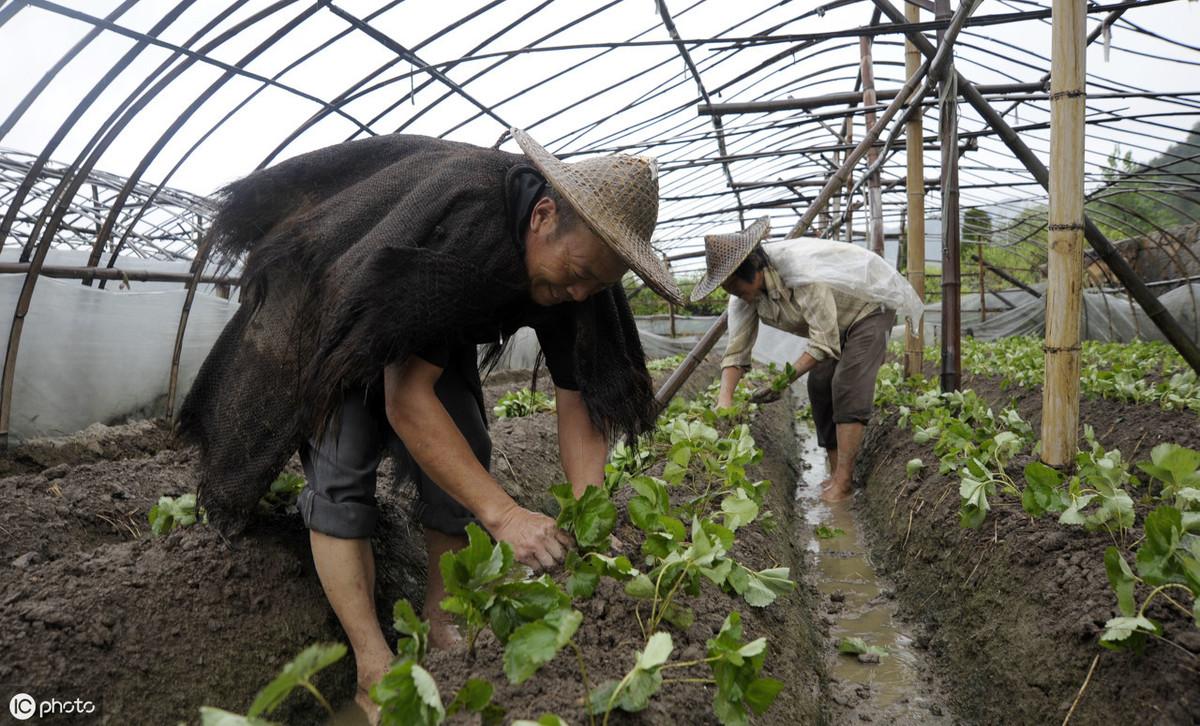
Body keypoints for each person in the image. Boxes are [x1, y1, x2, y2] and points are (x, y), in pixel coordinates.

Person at [178, 129, 682, 721]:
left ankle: (445, 632)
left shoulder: (588, 271)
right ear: (544, 216)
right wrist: (508, 515)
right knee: (343, 468)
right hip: (329, 299)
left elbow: (579, 398)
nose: (578, 291)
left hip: (422, 310)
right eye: (575, 273)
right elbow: (405, 401)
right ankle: (372, 665)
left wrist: (588, 512)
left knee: (465, 445)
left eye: (594, 284)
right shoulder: (468, 222)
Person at [691, 217, 920, 503]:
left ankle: (845, 481)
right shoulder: (743, 297)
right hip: (834, 323)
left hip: (868, 310)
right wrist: (724, 401)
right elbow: (737, 350)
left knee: (846, 385)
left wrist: (782, 382)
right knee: (819, 384)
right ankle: (836, 471)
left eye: (738, 289)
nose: (738, 297)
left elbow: (823, 340)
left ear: (754, 270)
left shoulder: (801, 273)